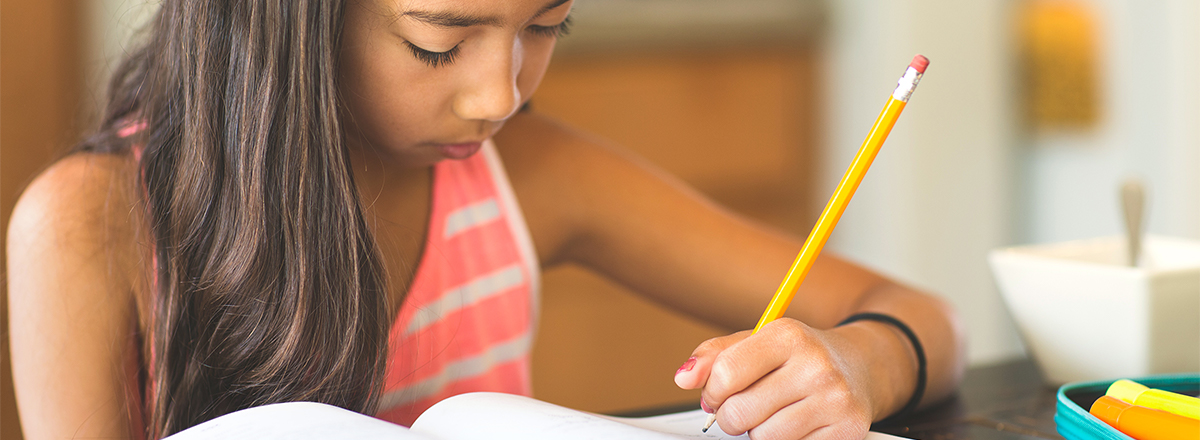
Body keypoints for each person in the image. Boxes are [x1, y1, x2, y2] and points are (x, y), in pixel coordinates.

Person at [6, 1, 966, 439]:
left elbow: (923, 316)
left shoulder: (531, 173)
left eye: (546, 27)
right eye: (439, 44)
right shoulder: (89, 229)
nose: (498, 97)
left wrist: (851, 367)